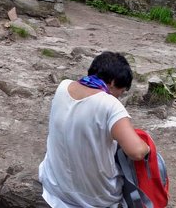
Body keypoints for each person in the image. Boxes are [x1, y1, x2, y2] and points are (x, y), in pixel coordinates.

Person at [38, 51, 151, 208]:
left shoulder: (63, 87)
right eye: (121, 91)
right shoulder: (110, 105)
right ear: (112, 82)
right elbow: (136, 152)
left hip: (55, 186)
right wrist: (147, 146)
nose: (119, 96)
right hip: (94, 199)